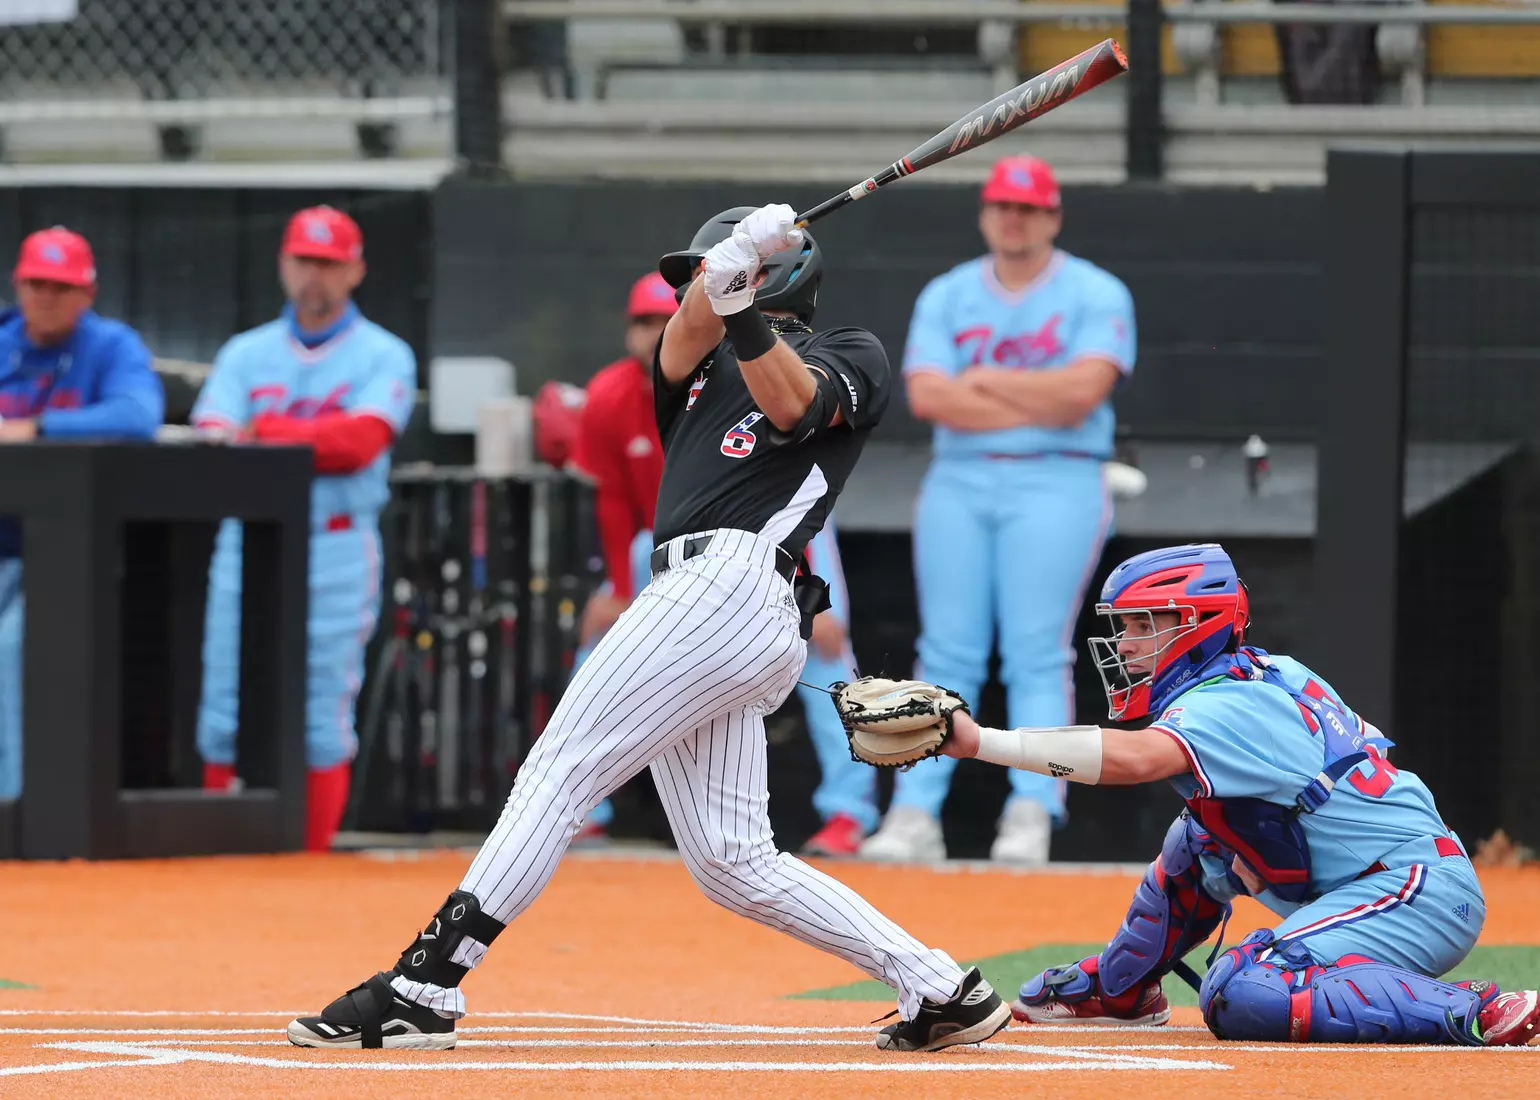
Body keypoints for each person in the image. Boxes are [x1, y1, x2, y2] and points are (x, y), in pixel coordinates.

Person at [285, 203, 1011, 1054]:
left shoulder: (852, 350)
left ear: (778, 279)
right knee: (735, 862)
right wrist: (727, 275)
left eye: (711, 273)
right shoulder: (694, 361)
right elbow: (689, 330)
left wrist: (740, 296)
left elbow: (793, 406)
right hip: (701, 595)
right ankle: (940, 987)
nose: (691, 290)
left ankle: (423, 984)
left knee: (557, 772)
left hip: (736, 582)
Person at [936, 542, 1540, 1046]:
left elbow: (1138, 759)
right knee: (1197, 837)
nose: (1125, 645)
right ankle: (1123, 989)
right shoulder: (1251, 674)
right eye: (1124, 627)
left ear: (1199, 624)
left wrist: (980, 741)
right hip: (1377, 881)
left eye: (1144, 625)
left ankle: (1479, 1008)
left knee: (1242, 988)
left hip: (1413, 893)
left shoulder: (1229, 703)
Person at [862, 153, 1135, 866]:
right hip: (961, 477)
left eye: (1028, 208)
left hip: (1060, 475)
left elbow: (1082, 396)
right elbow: (929, 396)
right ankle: (915, 809)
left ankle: (1033, 808)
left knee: (1036, 652)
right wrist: (1037, 396)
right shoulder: (950, 292)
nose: (1014, 220)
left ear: (1052, 216)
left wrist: (984, 380)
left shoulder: (1094, 290)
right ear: (985, 213)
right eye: (1003, 206)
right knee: (945, 650)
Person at [191, 206, 417, 853]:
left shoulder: (383, 353)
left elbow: (359, 443)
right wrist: (307, 438)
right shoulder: (246, 353)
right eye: (305, 260)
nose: (315, 274)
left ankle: (311, 863)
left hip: (336, 540)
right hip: (246, 540)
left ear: (356, 270)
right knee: (223, 707)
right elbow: (213, 442)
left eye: (329, 262)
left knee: (322, 713)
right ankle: (216, 859)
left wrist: (265, 431)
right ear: (284, 264)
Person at [0, 227, 165, 800]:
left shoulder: (110, 345)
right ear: (18, 285)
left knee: (13, 655)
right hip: (3, 543)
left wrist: (38, 428)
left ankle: (15, 808)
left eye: (62, 287)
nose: (47, 297)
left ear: (87, 293)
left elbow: (138, 416)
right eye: (37, 284)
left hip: (65, 554)